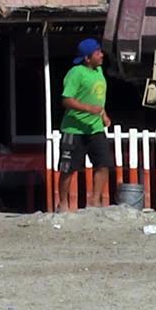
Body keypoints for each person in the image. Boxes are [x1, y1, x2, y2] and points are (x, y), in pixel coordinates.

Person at [57, 38, 113, 212]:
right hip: (74, 129)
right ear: (88, 58)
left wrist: (103, 115)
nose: (101, 55)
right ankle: (63, 204)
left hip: (95, 128)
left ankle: (95, 201)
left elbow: (98, 98)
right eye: (97, 53)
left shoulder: (99, 72)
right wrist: (88, 108)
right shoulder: (76, 73)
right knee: (68, 168)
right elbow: (66, 100)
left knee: (104, 164)